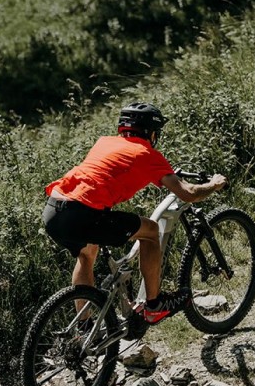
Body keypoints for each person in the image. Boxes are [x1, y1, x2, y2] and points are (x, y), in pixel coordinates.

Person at [43, 102, 227, 324]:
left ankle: (84, 326)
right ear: (150, 132)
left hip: (55, 208)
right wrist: (214, 184)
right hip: (83, 213)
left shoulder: (104, 142)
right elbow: (188, 193)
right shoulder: (147, 153)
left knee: (87, 253)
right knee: (150, 230)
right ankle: (154, 305)